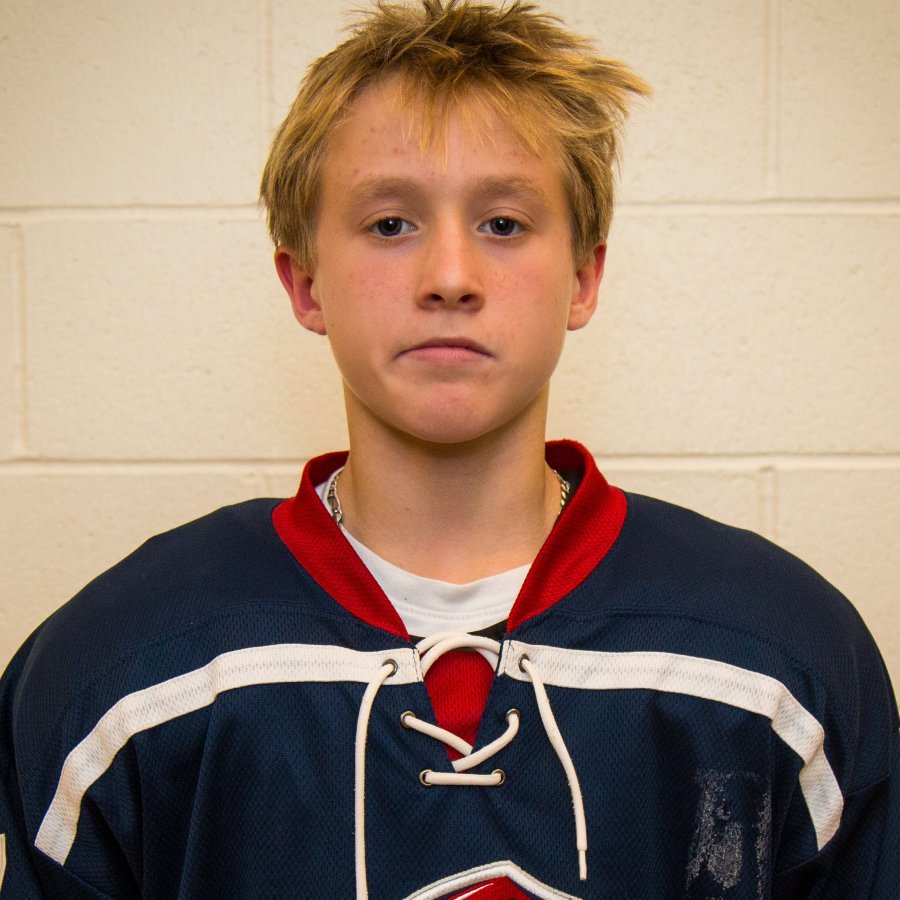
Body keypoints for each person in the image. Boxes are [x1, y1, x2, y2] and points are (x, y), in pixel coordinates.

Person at [1, 1, 896, 896]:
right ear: (306, 283)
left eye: (503, 223)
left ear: (583, 278)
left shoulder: (778, 656)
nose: (451, 278)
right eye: (391, 224)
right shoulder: (122, 670)